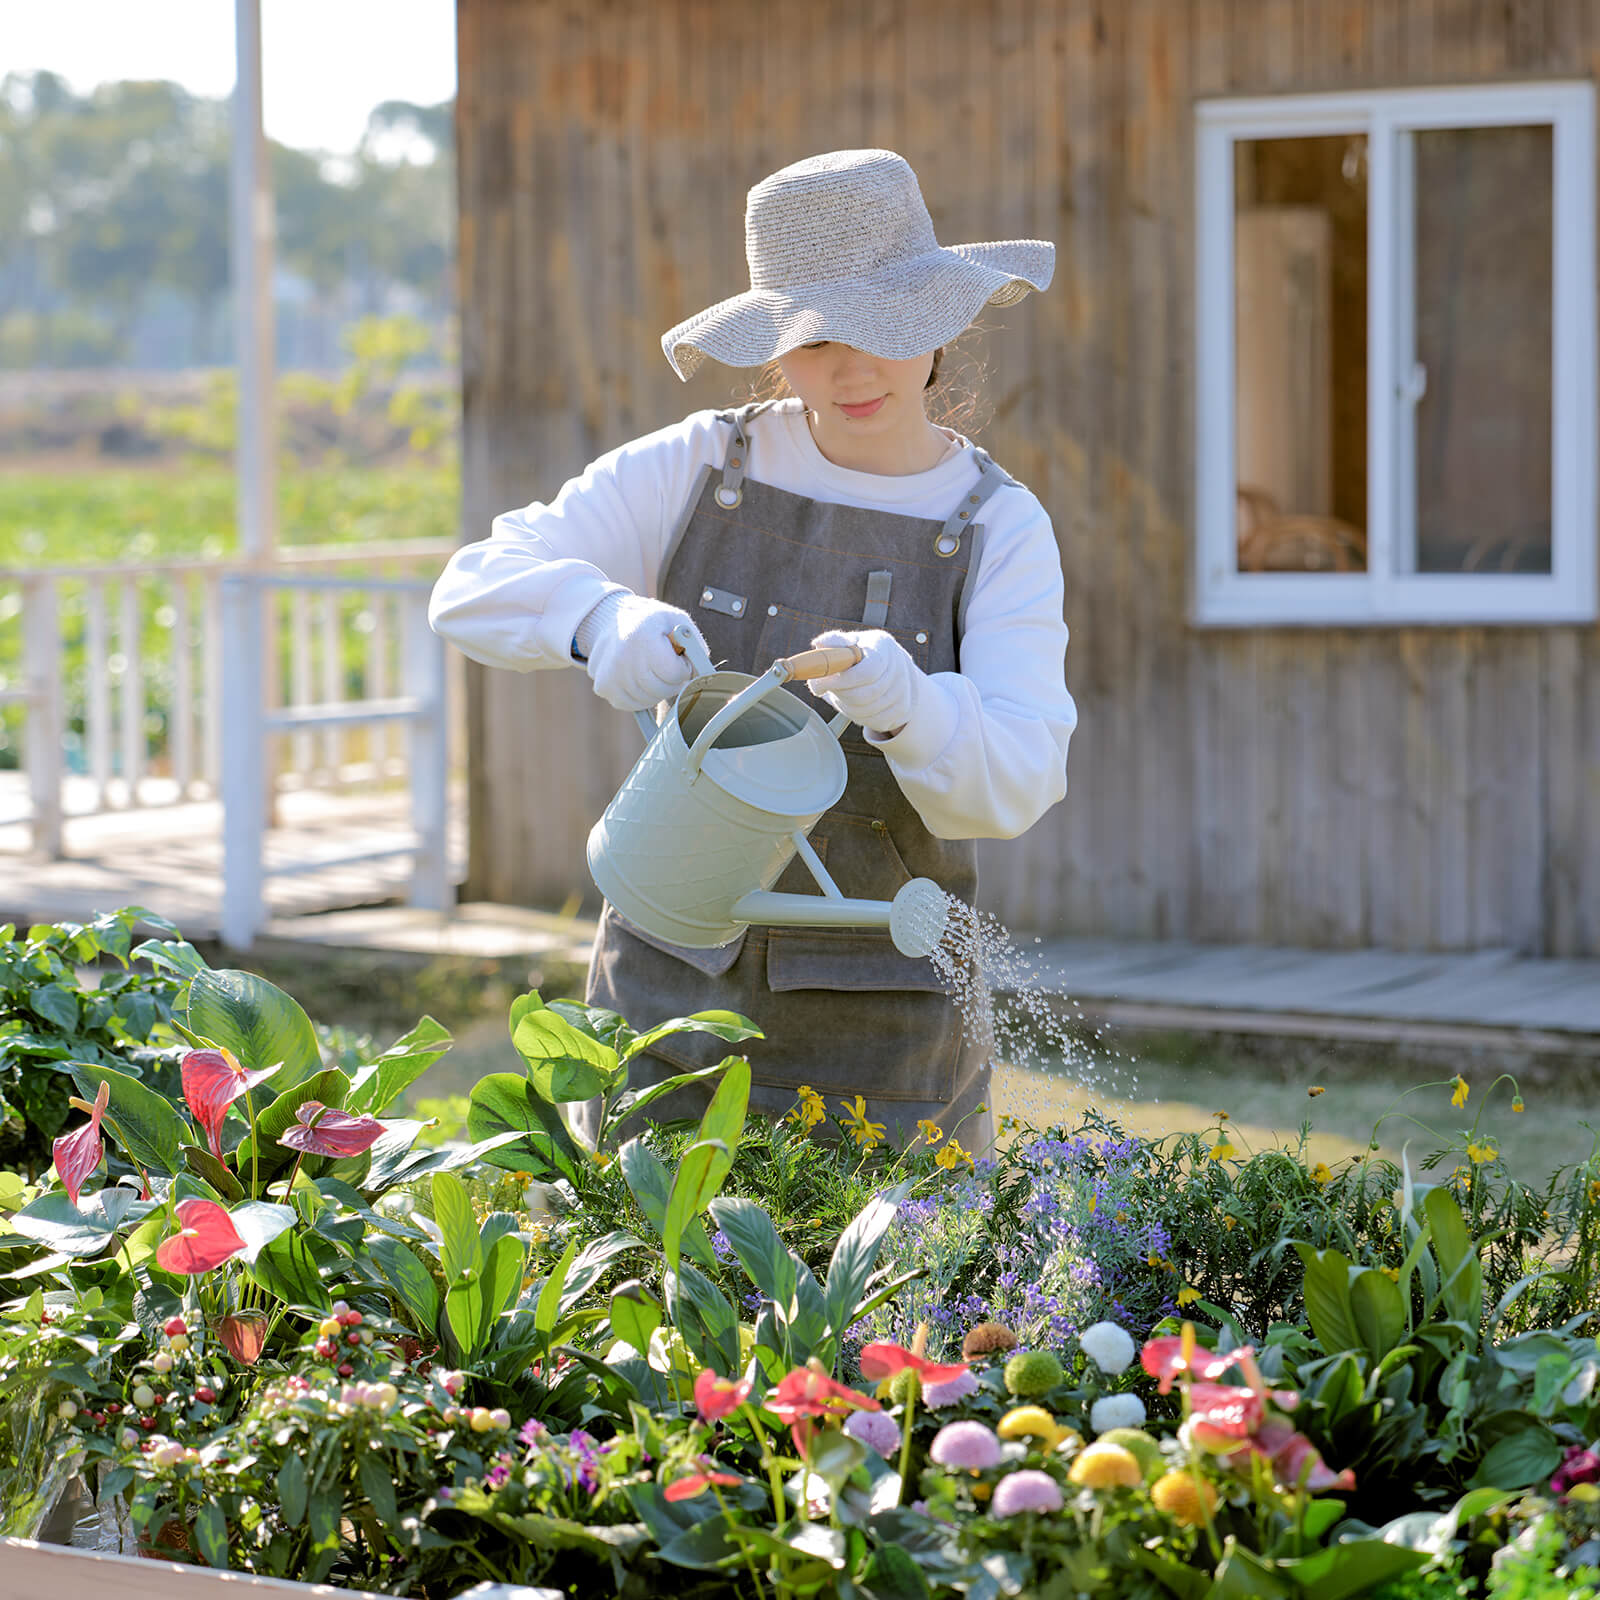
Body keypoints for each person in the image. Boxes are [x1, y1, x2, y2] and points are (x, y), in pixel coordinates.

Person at [429, 148, 1076, 1152]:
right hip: (666, 1010)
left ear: (940, 323)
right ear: (775, 342)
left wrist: (911, 704)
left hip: (889, 1033)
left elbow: (1017, 781)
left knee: (889, 1313)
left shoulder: (997, 524)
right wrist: (602, 619)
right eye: (816, 338)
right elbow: (471, 586)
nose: (852, 367)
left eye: (883, 327)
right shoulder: (701, 465)